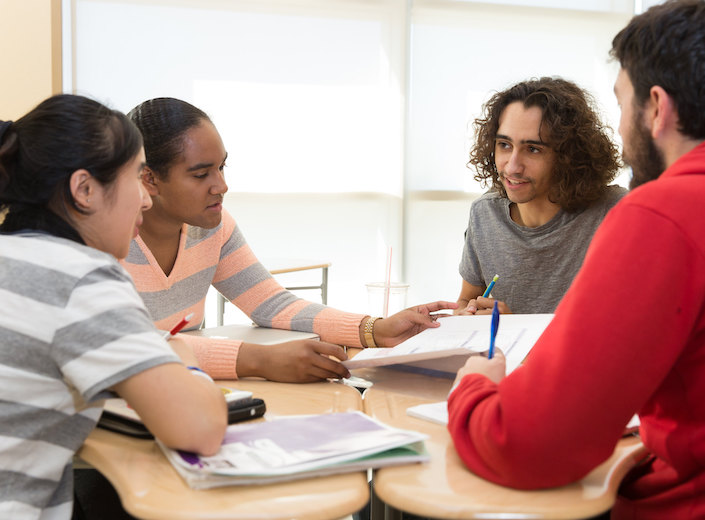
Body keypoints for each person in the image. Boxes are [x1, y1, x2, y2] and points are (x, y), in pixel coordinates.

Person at [447, 1, 705, 518]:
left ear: (656, 107)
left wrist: (471, 387)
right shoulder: (486, 216)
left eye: (623, 101)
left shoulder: (655, 214)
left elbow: (526, 445)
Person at [0, 94, 227, 519]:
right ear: (84, 190)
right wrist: (182, 358)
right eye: (136, 178)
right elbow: (200, 428)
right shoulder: (80, 277)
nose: (144, 199)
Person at [124, 97, 456, 383]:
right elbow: (133, 343)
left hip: (177, 388)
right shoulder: (104, 242)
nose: (221, 185)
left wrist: (373, 329)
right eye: (201, 174)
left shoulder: (212, 226)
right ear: (149, 178)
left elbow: (270, 303)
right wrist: (260, 360)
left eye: (222, 167)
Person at [455, 77, 626, 315]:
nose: (512, 167)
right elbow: (465, 301)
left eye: (533, 149)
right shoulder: (485, 214)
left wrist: (514, 328)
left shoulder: (614, 212)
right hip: (508, 353)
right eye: (504, 145)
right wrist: (468, 313)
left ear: (568, 155)